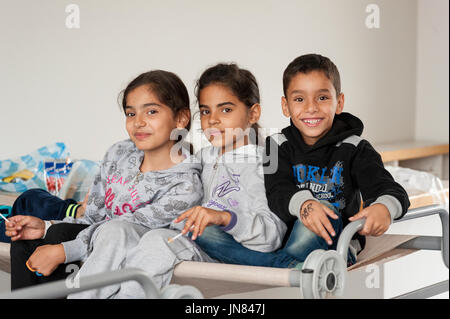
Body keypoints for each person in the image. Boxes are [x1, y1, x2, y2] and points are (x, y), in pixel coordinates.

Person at [5, 70, 207, 296]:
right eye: (131, 114)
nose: (138, 122)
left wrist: (62, 248)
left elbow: (122, 232)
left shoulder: (185, 186)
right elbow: (91, 216)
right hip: (95, 236)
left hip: (126, 245)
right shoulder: (118, 153)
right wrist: (45, 227)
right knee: (26, 237)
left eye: (151, 111)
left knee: (58, 235)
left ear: (180, 118)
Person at [108, 63, 290, 299]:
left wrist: (225, 218)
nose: (212, 120)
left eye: (225, 110)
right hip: (192, 250)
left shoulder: (263, 165)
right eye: (205, 111)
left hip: (231, 263)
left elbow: (272, 236)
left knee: (158, 242)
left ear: (253, 113)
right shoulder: (200, 158)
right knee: (129, 235)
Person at [263, 53, 411, 262]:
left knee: (326, 209)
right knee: (213, 234)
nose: (311, 107)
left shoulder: (355, 148)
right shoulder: (276, 145)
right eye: (299, 99)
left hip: (337, 246)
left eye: (322, 98)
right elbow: (276, 192)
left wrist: (384, 207)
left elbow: (390, 189)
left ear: (339, 102)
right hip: (283, 241)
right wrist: (306, 205)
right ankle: (287, 266)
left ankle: (284, 268)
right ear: (285, 106)